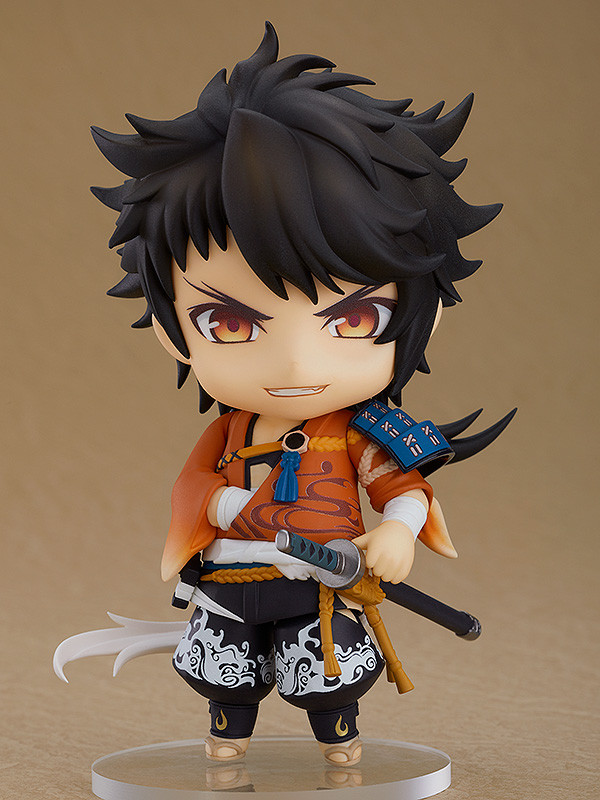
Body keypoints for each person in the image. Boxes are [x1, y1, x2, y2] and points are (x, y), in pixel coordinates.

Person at [91, 22, 503, 765]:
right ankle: (228, 737)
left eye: (353, 318)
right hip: (232, 576)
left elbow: (404, 488)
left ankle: (338, 742)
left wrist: (398, 531)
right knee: (226, 672)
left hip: (322, 581)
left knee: (326, 680)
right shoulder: (230, 433)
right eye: (229, 321)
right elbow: (193, 489)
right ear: (172, 331)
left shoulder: (365, 431)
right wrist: (228, 508)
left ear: (424, 314)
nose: (295, 361)